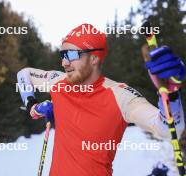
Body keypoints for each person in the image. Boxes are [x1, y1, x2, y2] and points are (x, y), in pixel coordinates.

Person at [17, 23, 185, 176]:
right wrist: (32, 105)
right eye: (62, 54)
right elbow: (24, 74)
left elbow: (168, 130)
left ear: (94, 58)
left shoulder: (120, 95)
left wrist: (171, 95)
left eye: (71, 54)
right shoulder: (58, 82)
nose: (63, 62)